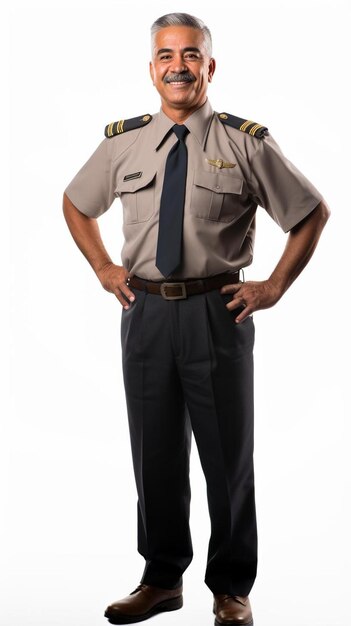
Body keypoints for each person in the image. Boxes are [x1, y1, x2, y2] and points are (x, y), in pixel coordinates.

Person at [63, 12, 330, 626]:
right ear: (152, 67)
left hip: (218, 312)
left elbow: (310, 213)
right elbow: (77, 204)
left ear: (209, 67)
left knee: (226, 457)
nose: (177, 66)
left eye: (190, 55)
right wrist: (105, 268)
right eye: (165, 55)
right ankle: (161, 579)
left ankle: (231, 588)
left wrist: (275, 286)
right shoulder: (122, 143)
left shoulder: (245, 142)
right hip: (146, 313)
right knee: (153, 453)